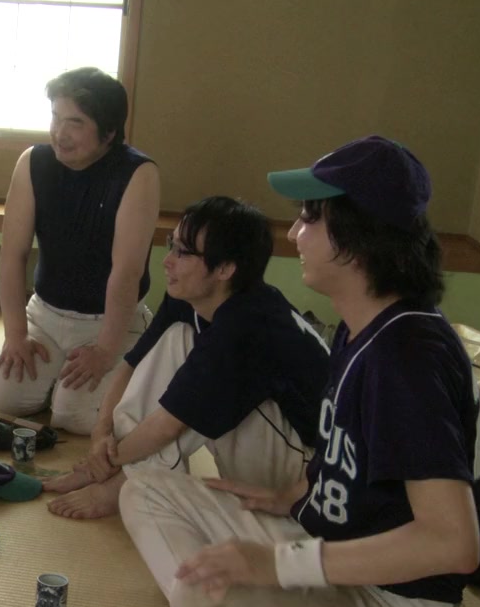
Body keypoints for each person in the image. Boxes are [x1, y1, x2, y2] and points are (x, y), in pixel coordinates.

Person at [120, 137, 480, 607]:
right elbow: (351, 465)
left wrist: (281, 564)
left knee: (200, 592)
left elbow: (453, 544)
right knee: (146, 491)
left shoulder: (405, 358)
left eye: (310, 218)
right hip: (329, 548)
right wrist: (290, 496)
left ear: (358, 236)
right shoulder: (366, 326)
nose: (294, 233)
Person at [43, 196, 330, 519]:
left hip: (306, 472)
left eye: (183, 252)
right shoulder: (191, 296)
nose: (167, 261)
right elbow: (132, 364)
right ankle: (117, 475)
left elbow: (169, 425)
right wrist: (101, 434)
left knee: (201, 386)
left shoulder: (247, 325)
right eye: (172, 244)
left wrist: (108, 460)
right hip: (268, 445)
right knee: (177, 339)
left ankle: (118, 482)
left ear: (225, 268)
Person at [0, 66, 160, 435]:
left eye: (75, 123)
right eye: (55, 117)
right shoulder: (34, 162)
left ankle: (130, 370)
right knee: (3, 400)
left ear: (109, 131)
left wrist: (105, 351)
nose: (59, 133)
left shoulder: (137, 173)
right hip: (45, 314)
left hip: (110, 321)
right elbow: (12, 254)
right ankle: (57, 381)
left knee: (77, 417)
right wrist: (15, 334)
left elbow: (126, 272)